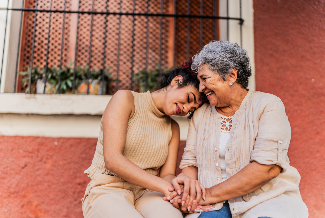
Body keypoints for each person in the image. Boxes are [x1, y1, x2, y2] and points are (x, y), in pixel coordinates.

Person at [168, 41, 308, 218]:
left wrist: (208, 195)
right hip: (213, 204)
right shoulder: (201, 114)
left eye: (205, 79)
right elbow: (191, 164)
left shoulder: (267, 105)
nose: (201, 88)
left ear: (231, 76)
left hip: (264, 199)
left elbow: (267, 168)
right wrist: (186, 188)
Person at [81, 62, 203, 218]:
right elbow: (112, 160)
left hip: (147, 193)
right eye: (188, 98)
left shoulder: (173, 128)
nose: (186, 109)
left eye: (192, 109)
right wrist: (164, 186)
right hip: (108, 188)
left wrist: (178, 192)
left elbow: (167, 175)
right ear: (176, 81)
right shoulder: (126, 99)